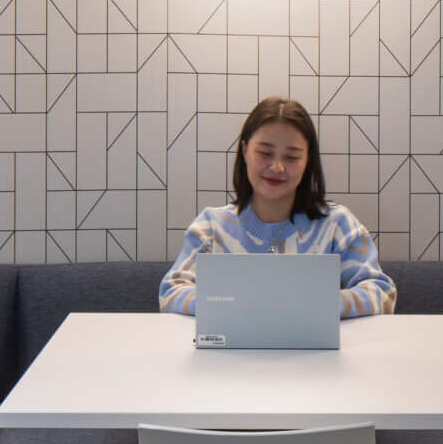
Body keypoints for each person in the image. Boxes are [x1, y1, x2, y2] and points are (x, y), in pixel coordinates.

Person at [160, 96, 397, 320]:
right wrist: (235, 304)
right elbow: (171, 293)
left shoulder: (338, 224)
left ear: (308, 161)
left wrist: (313, 304)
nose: (277, 167)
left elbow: (382, 293)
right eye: (264, 153)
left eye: (292, 157)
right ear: (245, 151)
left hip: (314, 360)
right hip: (228, 359)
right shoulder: (210, 227)